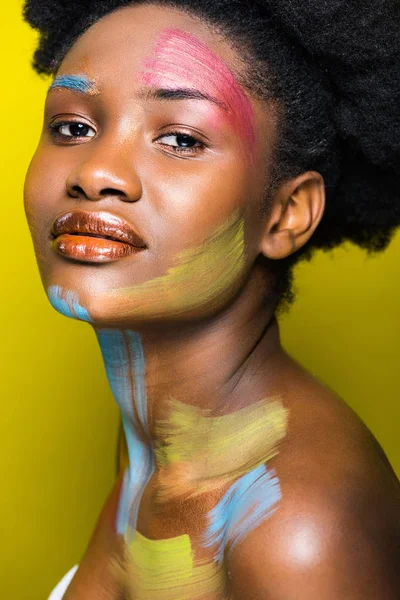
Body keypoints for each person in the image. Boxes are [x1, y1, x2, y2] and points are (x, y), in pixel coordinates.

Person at [22, 0, 400, 598]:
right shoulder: (158, 447)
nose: (97, 173)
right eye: (73, 128)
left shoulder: (298, 528)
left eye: (179, 138)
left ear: (286, 214)